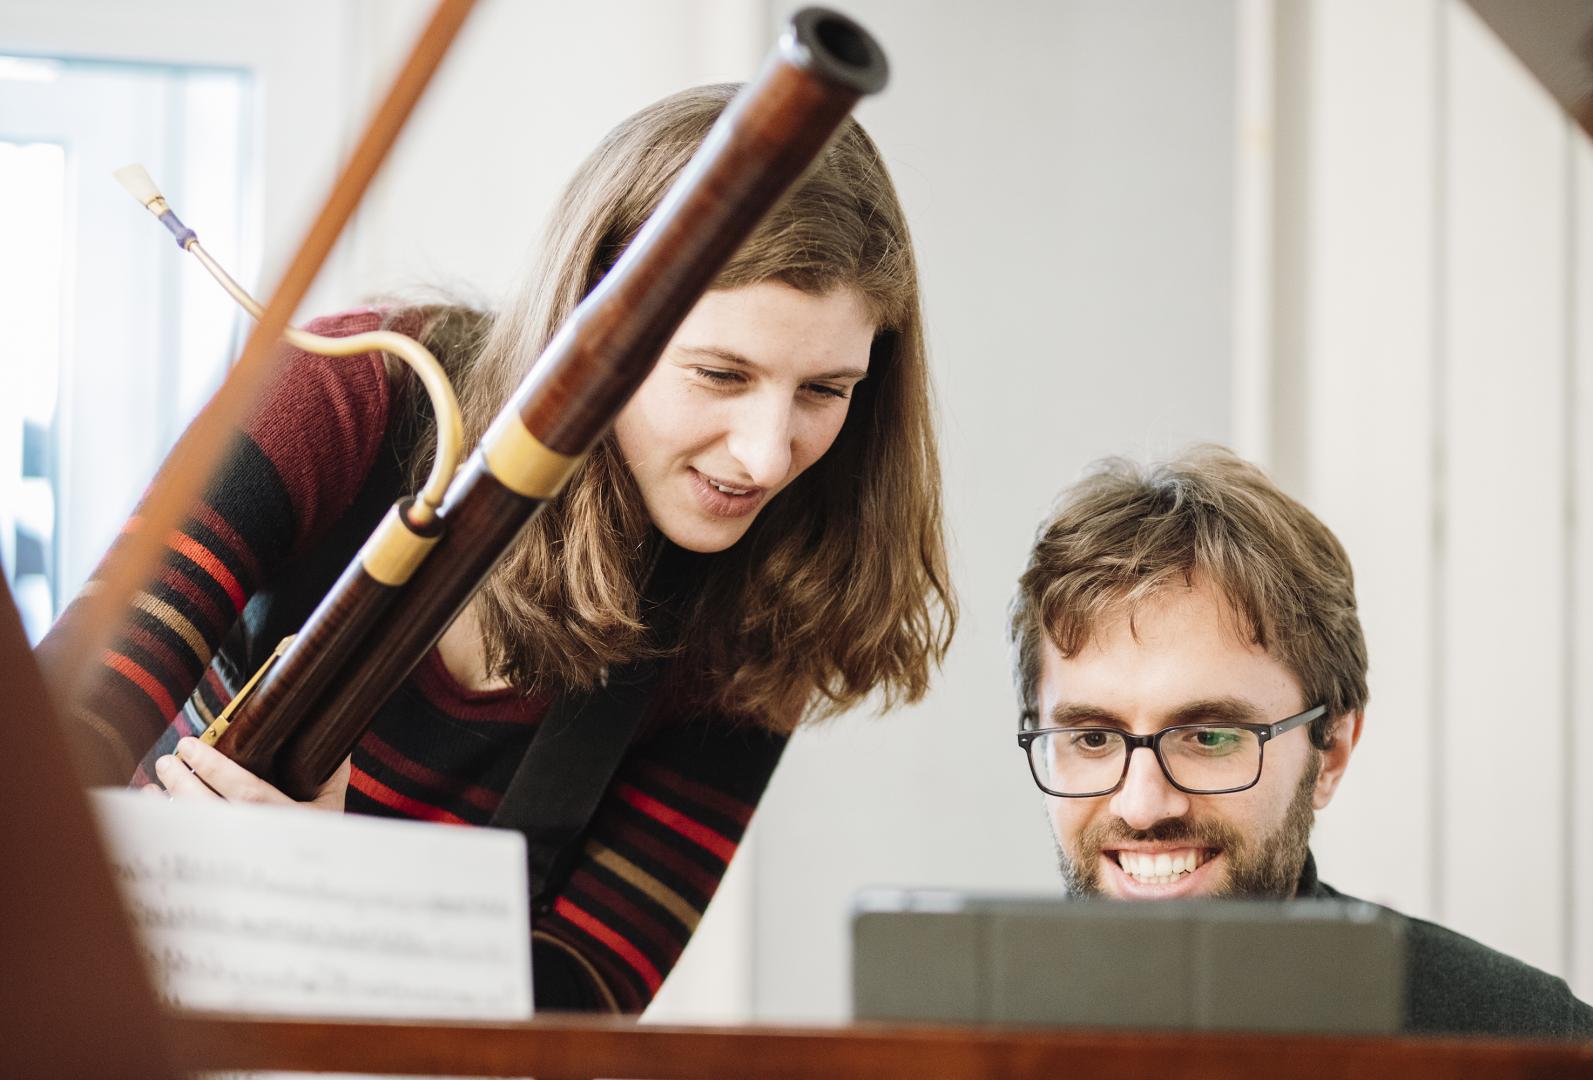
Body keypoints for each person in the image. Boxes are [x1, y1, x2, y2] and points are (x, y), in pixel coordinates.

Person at [43, 83, 956, 1012]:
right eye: (720, 375)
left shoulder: (776, 592)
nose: (767, 457)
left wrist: (330, 895)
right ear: (595, 318)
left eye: (824, 391)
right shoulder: (348, 395)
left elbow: (580, 1000)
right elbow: (56, 736)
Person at [1007, 447, 1593, 1040]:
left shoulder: (1527, 1045)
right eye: (1092, 737)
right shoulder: (940, 1040)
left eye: (1210, 735)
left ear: (1330, 753)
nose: (1141, 805)